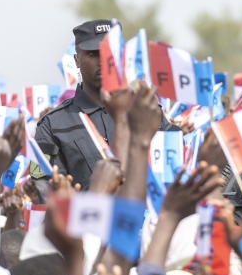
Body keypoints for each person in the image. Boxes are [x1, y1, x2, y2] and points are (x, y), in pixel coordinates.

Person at [32, 19, 176, 192]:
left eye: (110, 54)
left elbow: (173, 170)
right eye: (93, 54)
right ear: (77, 60)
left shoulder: (145, 110)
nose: (103, 61)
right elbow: (42, 189)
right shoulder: (51, 125)